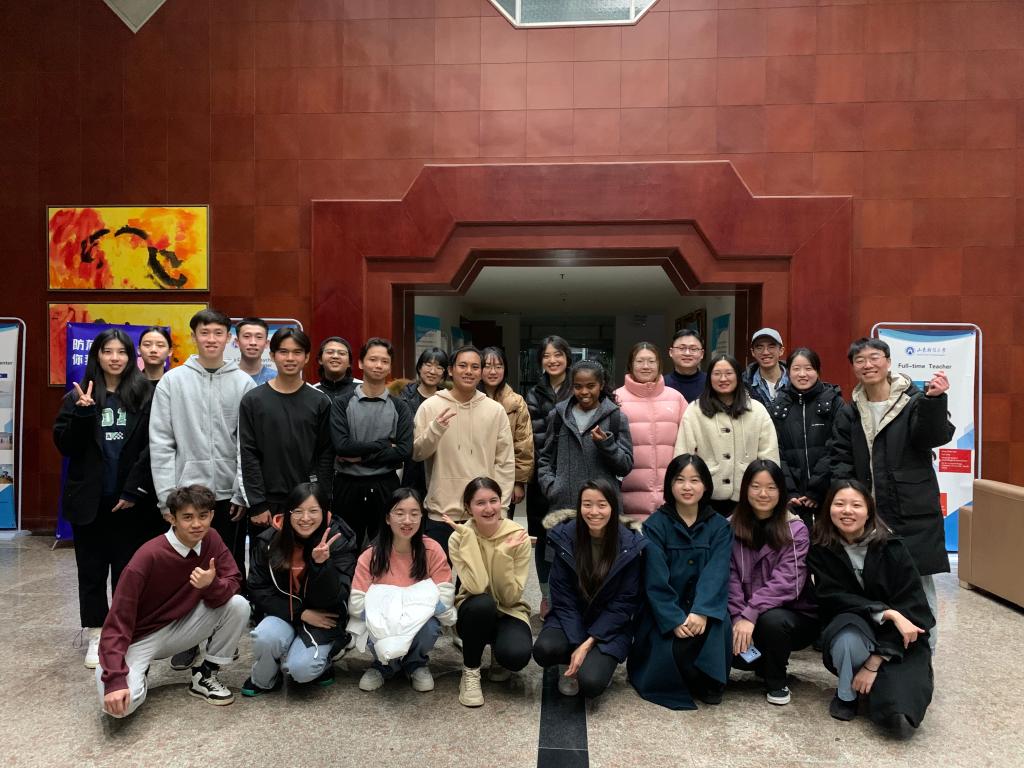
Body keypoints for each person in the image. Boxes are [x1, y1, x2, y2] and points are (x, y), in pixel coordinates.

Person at [829, 337, 953, 649]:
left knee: (918, 582)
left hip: (911, 510)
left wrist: (935, 400)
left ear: (887, 361)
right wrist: (846, 499)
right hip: (868, 512)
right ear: (853, 367)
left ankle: (924, 653)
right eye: (860, 360)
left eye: (874, 358)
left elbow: (933, 436)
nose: (868, 365)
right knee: (875, 580)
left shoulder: (914, 401)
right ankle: (886, 649)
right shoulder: (850, 411)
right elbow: (841, 457)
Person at [54, 328, 159, 669]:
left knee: (129, 571)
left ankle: (124, 631)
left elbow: (152, 447)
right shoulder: (77, 396)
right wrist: (83, 413)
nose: (115, 358)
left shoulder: (146, 394)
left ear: (131, 357)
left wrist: (133, 490)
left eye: (122, 352)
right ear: (97, 355)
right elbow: (66, 446)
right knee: (92, 570)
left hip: (131, 501)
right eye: (108, 351)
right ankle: (97, 632)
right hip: (91, 501)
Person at [96, 485, 250, 717]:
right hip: (141, 637)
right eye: (187, 517)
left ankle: (206, 674)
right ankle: (135, 672)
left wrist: (211, 585)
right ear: (171, 518)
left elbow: (233, 581)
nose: (197, 524)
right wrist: (115, 680)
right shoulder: (148, 556)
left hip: (183, 627)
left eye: (203, 516)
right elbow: (117, 620)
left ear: (212, 515)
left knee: (238, 605)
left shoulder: (212, 539)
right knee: (119, 709)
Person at [807, 480, 934, 736]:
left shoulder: (892, 548)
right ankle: (846, 694)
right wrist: (886, 612)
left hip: (897, 639)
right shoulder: (822, 548)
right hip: (853, 626)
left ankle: (875, 677)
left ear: (869, 511)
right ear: (828, 509)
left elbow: (915, 611)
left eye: (856, 505)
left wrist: (874, 662)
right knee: (847, 638)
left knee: (897, 710)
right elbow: (831, 597)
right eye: (839, 504)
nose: (847, 511)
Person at [150, 309, 255, 583]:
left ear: (228, 339)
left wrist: (241, 492)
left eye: (218, 333)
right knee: (185, 564)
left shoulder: (243, 382)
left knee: (230, 563)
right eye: (204, 333)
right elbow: (161, 442)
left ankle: (232, 606)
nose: (211, 339)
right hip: (185, 493)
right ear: (193, 336)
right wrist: (166, 497)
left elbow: (247, 444)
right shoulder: (172, 381)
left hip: (229, 497)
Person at [628, 454, 732, 710]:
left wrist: (702, 611)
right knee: (672, 653)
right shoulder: (655, 525)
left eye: (695, 480)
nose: (687, 487)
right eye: (680, 480)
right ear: (670, 485)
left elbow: (717, 573)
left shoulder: (719, 526)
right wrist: (673, 619)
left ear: (705, 485)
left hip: (704, 609)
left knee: (717, 628)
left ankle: (708, 681)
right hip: (665, 611)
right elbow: (655, 578)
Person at [533, 478, 646, 698]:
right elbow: (563, 599)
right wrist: (578, 642)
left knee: (591, 683)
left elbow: (623, 605)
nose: (594, 512)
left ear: (613, 507)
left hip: (610, 625)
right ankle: (570, 661)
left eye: (602, 505)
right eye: (587, 504)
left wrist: (587, 645)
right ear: (579, 507)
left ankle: (590, 662)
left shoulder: (629, 545)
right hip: (571, 617)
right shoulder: (565, 537)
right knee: (543, 650)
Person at [243, 482, 358, 695]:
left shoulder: (339, 539)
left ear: (324, 512)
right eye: (298, 511)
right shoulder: (269, 540)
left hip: (323, 616)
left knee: (301, 670)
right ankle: (265, 679)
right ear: (288, 513)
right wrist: (300, 613)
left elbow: (338, 594)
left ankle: (327, 657)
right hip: (284, 612)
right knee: (265, 637)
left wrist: (321, 566)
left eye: (313, 511)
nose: (305, 518)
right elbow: (258, 588)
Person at [347, 488, 456, 693]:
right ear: (387, 518)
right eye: (399, 513)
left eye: (414, 514)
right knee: (372, 620)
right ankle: (384, 665)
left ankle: (415, 663)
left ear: (422, 517)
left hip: (419, 620)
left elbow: (445, 595)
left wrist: (408, 609)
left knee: (429, 625)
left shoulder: (432, 549)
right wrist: (392, 611)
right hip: (381, 621)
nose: (407, 520)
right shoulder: (372, 554)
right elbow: (357, 602)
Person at [728, 460, 817, 706]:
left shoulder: (795, 529)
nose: (763, 494)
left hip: (792, 616)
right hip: (742, 614)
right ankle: (760, 662)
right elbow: (729, 578)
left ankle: (776, 679)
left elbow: (787, 581)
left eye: (771, 487)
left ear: (781, 491)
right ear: (745, 489)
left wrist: (751, 613)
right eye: (756, 486)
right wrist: (738, 617)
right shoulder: (729, 527)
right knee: (720, 633)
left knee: (772, 621)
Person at [239, 328, 334, 552]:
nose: (290, 358)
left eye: (297, 352)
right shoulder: (253, 400)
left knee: (309, 562)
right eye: (283, 352)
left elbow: (326, 455)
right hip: (267, 503)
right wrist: (257, 503)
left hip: (308, 502)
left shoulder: (320, 401)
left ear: (307, 357)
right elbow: (248, 454)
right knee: (266, 563)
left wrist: (321, 501)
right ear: (272, 355)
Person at [413, 346, 514, 554]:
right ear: (450, 370)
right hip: (441, 512)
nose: (469, 371)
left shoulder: (495, 411)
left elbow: (504, 463)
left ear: (481, 372)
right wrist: (435, 429)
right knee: (439, 573)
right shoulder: (430, 406)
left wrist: (500, 508)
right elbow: (417, 453)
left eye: (475, 367)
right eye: (463, 366)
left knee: (479, 574)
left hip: (482, 513)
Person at [444, 477, 533, 707]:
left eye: (493, 500)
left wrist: (503, 555)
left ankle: (498, 653)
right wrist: (469, 539)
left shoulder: (517, 535)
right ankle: (470, 671)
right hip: (474, 609)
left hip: (509, 609)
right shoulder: (458, 538)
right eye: (480, 503)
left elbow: (510, 598)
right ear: (468, 507)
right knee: (483, 604)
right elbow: (476, 587)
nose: (489, 508)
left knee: (516, 655)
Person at [331, 337, 413, 548]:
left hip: (386, 484)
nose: (379, 365)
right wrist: (384, 445)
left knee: (386, 548)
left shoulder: (400, 406)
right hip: (347, 485)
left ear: (390, 367)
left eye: (384, 361)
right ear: (360, 363)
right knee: (345, 547)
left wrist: (357, 457)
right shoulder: (341, 404)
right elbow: (342, 446)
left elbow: (404, 451)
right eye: (373, 359)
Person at [677, 353, 779, 516]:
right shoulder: (695, 410)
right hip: (706, 494)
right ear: (709, 378)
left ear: (738, 376)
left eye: (729, 373)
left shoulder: (757, 410)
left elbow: (769, 455)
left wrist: (767, 488)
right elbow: (683, 455)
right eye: (717, 374)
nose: (723, 379)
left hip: (749, 494)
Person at [537, 359, 633, 512]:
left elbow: (625, 466)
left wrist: (606, 445)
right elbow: (545, 459)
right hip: (564, 507)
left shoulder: (616, 418)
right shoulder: (558, 416)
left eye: (590, 386)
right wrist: (552, 488)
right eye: (578, 386)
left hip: (603, 509)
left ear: (601, 385)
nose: (584, 392)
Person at [768, 347, 843, 529]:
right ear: (788, 372)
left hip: (827, 494)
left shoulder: (834, 402)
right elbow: (774, 450)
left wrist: (816, 490)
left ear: (818, 371)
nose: (802, 374)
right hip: (791, 499)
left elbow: (837, 446)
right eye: (796, 369)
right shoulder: (778, 406)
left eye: (808, 368)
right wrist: (789, 491)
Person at [525, 335, 573, 616]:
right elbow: (535, 437)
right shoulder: (534, 393)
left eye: (558, 354)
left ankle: (570, 597)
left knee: (574, 536)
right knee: (545, 539)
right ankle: (546, 597)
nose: (552, 360)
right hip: (543, 477)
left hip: (575, 474)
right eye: (547, 356)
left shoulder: (579, 386)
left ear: (567, 357)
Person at [616, 341, 687, 520]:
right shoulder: (616, 399)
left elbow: (690, 443)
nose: (646, 366)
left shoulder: (676, 398)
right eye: (640, 361)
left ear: (659, 364)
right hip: (628, 494)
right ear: (630, 365)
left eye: (651, 361)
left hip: (670, 495)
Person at [479, 346, 534, 519]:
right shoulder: (470, 399)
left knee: (502, 526)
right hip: (474, 474)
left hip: (506, 476)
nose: (493, 371)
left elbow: (523, 444)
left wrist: (519, 482)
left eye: (499, 366)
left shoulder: (516, 402)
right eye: (487, 366)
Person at [392, 347, 448, 498]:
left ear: (444, 373)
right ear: (419, 367)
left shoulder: (448, 399)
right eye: (428, 365)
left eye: (439, 367)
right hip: (410, 465)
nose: (432, 371)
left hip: (439, 464)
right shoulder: (402, 397)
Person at [742, 328, 789, 406]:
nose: (765, 352)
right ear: (753, 352)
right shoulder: (743, 384)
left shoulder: (795, 380)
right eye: (759, 347)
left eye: (771, 347)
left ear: (781, 351)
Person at [313, 336, 361, 403]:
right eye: (330, 352)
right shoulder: (312, 391)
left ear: (349, 362)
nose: (335, 356)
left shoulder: (362, 388)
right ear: (320, 360)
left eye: (342, 353)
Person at [665, 328, 707, 403]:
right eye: (681, 348)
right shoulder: (662, 383)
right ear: (671, 352)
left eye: (693, 349)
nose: (687, 353)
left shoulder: (711, 382)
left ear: (702, 354)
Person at [235, 317, 277, 384]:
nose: (253, 342)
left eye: (259, 337)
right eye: (247, 336)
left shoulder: (276, 378)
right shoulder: (227, 376)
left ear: (266, 343)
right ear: (237, 342)